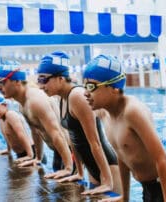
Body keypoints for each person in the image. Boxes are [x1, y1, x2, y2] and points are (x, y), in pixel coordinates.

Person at [83, 55, 166, 202]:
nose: (85, 93)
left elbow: (162, 159)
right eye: (84, 86)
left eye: (91, 86)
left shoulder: (132, 112)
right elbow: (122, 155)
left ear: (114, 88)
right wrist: (125, 196)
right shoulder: (104, 114)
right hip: (147, 187)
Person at [36, 51, 121, 195]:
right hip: (93, 167)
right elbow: (73, 138)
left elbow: (95, 142)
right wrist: (79, 172)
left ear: (61, 78)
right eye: (39, 80)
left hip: (107, 166)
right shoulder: (63, 98)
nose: (40, 85)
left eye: (44, 80)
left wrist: (107, 180)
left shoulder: (77, 96)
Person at [0, 65, 73, 179]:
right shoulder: (23, 104)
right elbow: (36, 131)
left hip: (69, 152)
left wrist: (68, 168)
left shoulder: (35, 101)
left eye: (2, 82)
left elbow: (57, 133)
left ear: (17, 81)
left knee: (71, 193)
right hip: (59, 152)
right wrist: (38, 158)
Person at [0, 91, 34, 162]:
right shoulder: (1, 121)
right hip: (21, 153)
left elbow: (21, 134)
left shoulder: (10, 115)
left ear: (5, 105)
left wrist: (30, 155)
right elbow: (8, 137)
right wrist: (8, 150)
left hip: (31, 151)